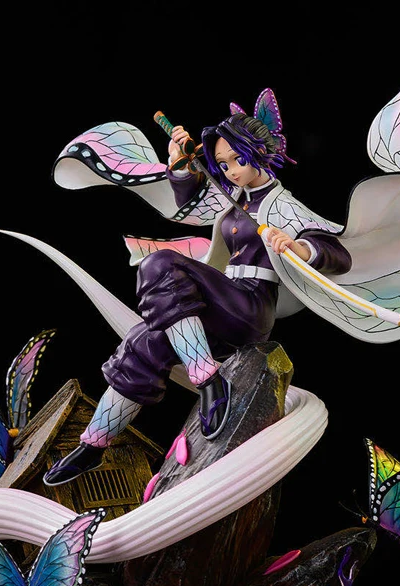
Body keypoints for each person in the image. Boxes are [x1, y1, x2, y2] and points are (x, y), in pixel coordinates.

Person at [43, 108, 353, 486]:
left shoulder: (284, 206)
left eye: (238, 160)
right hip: (217, 307)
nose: (231, 171)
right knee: (145, 342)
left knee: (159, 264)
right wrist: (179, 163)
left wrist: (297, 246)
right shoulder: (232, 196)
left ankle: (208, 382)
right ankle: (94, 445)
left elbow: (338, 255)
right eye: (222, 164)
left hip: (250, 308)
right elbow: (189, 195)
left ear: (258, 152)